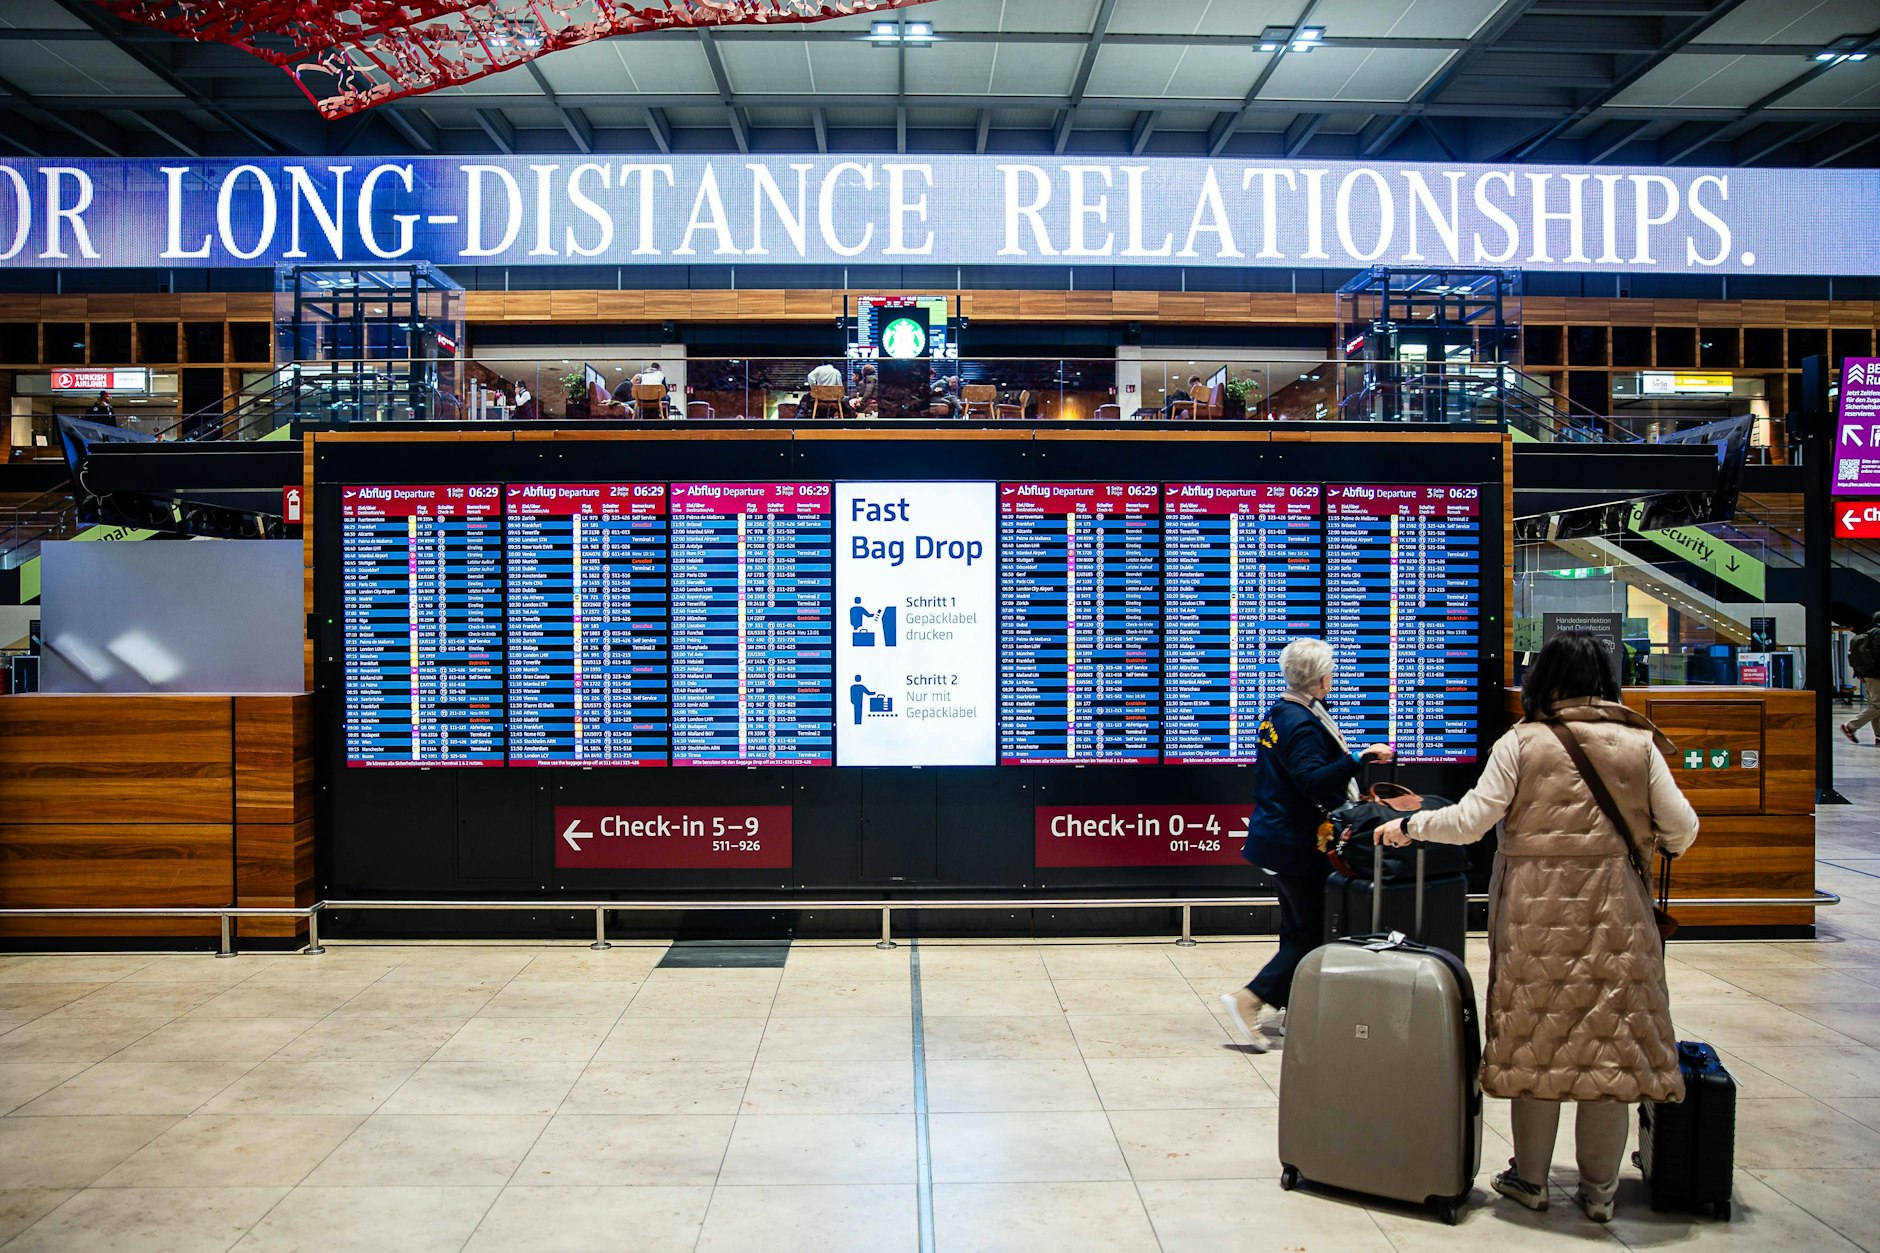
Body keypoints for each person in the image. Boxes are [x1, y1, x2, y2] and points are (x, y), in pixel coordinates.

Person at [1374, 630, 1698, 1224]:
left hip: (1533, 915)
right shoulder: (1639, 744)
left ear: (1542, 678)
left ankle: (1530, 1180)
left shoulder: (1522, 743)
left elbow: (1472, 822)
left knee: (1537, 1045)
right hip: (1618, 917)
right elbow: (1682, 829)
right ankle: (1601, 1193)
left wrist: (1411, 826)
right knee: (1612, 1048)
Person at [1220, 638, 1394, 1051]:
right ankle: (1250, 999)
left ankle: (1290, 1005)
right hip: (1296, 844)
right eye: (1330, 672)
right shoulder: (1301, 724)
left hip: (1275, 838)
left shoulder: (1279, 713)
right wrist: (1359, 759)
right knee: (1311, 930)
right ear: (1320, 679)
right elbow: (1311, 780)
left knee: (1296, 926)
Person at [1841, 610, 1880, 744]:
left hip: (1868, 674)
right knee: (1877, 706)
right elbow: (1877, 655)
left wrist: (1860, 673)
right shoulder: (1878, 634)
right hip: (1876, 675)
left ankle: (1879, 736)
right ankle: (1850, 726)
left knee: (1874, 705)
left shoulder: (1868, 633)